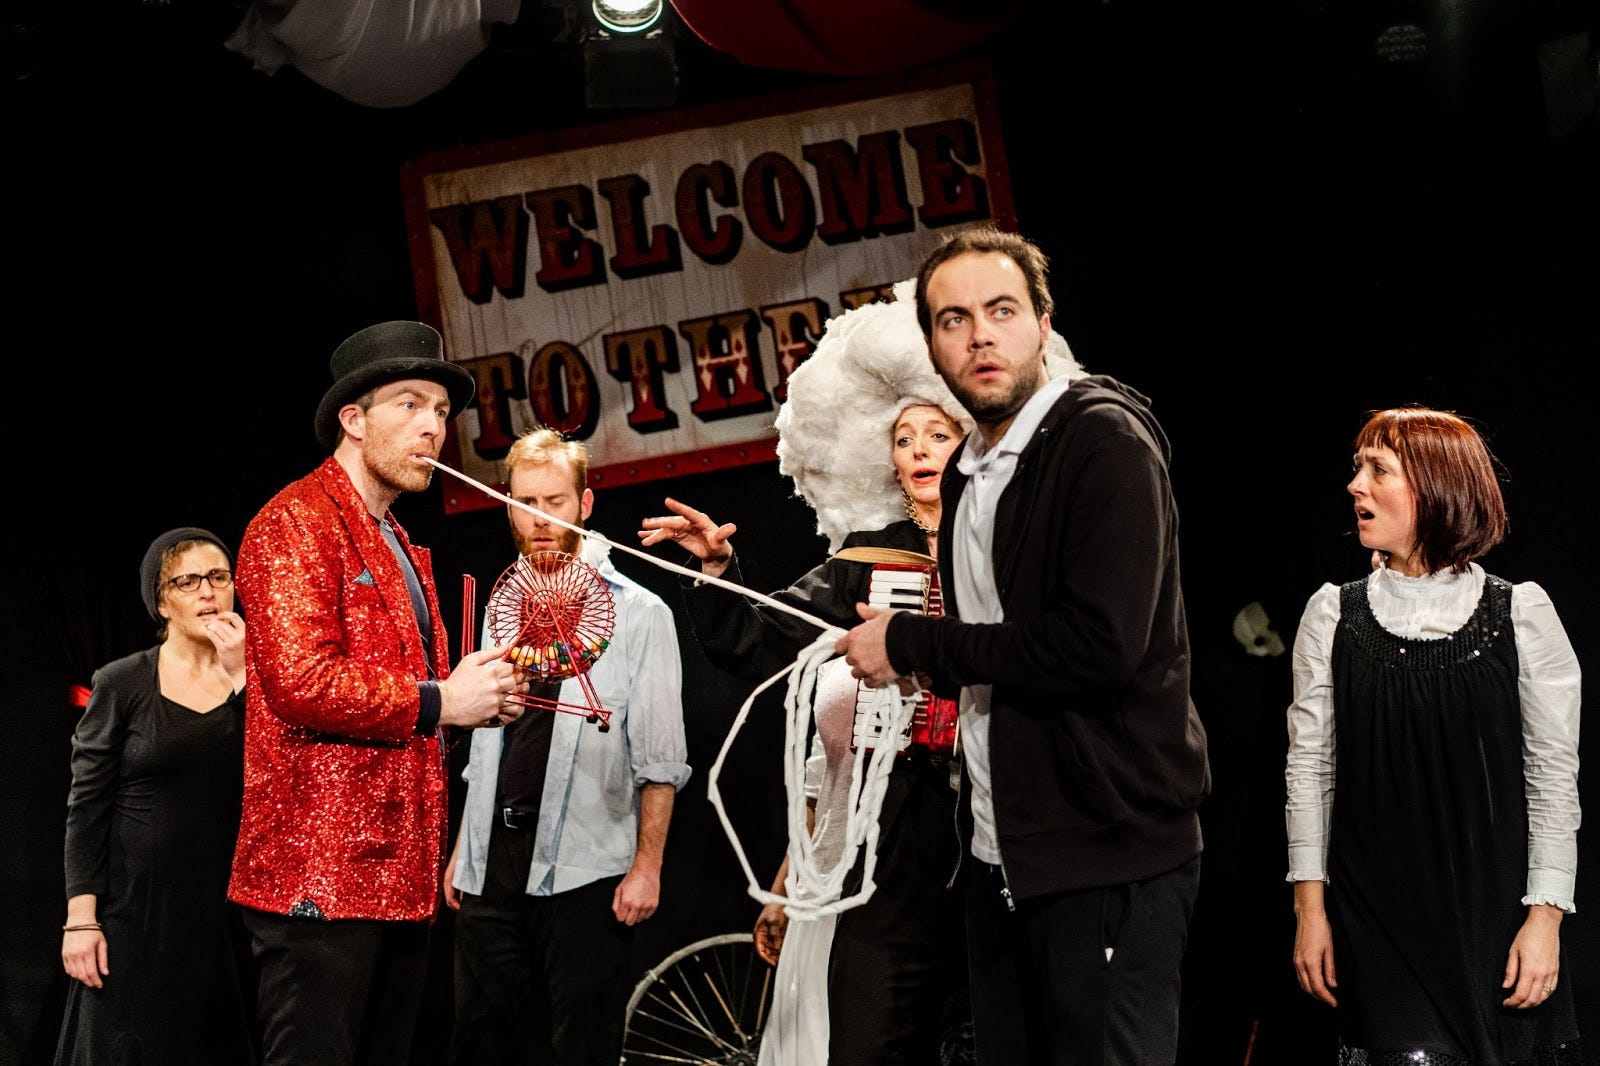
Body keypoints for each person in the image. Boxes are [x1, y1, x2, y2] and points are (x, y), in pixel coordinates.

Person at [639, 278, 1082, 1065]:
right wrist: (717, 570)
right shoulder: (866, 561)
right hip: (895, 829)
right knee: (873, 1032)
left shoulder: (1014, 546)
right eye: (904, 438)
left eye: (936, 433)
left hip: (1007, 817)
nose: (919, 450)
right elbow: (763, 634)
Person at [835, 225, 1212, 1066]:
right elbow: (997, 653)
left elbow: (1099, 647)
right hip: (1002, 853)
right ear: (932, 345)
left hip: (1109, 846)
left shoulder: (1103, 442)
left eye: (1002, 311)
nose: (980, 336)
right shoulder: (969, 471)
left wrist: (914, 642)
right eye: (954, 319)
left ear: (1043, 323)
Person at [227, 320, 529, 1066]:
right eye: (410, 404)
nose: (434, 427)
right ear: (354, 421)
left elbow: (412, 707)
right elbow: (301, 680)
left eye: (441, 411)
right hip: (321, 878)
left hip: (398, 873)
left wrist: (477, 698)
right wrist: (442, 700)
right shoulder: (294, 522)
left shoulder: (393, 539)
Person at [1284, 406, 1583, 1064]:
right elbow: (1310, 772)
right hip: (1376, 919)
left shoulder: (1522, 615)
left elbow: (1552, 781)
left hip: (1494, 921)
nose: (1355, 485)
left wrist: (1546, 919)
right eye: (1357, 468)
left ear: (1434, 487)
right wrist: (1311, 911)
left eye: (1378, 470)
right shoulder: (1332, 615)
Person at [445, 426, 691, 1066]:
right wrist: (465, 849)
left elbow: (660, 758)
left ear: (584, 503)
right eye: (524, 502)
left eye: (553, 501)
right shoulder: (500, 604)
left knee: (582, 1047)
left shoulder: (639, 613)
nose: (539, 518)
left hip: (588, 866)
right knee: (480, 1044)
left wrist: (647, 867)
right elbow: (486, 744)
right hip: (492, 861)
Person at [56, 526, 257, 1066]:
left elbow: (276, 773)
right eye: (187, 581)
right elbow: (86, 807)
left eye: (218, 577)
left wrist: (243, 675)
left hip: (229, 915)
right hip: (138, 914)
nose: (207, 592)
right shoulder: (123, 682)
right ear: (162, 602)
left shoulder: (259, 680)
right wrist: (82, 919)